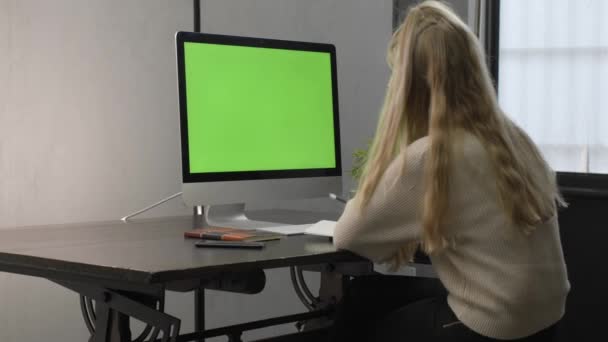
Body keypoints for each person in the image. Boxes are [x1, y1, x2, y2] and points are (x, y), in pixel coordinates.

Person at [331, 1, 570, 341]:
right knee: (368, 295)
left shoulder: (432, 156)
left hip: (491, 328)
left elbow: (348, 235)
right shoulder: (513, 139)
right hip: (542, 324)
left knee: (359, 312)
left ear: (408, 88)